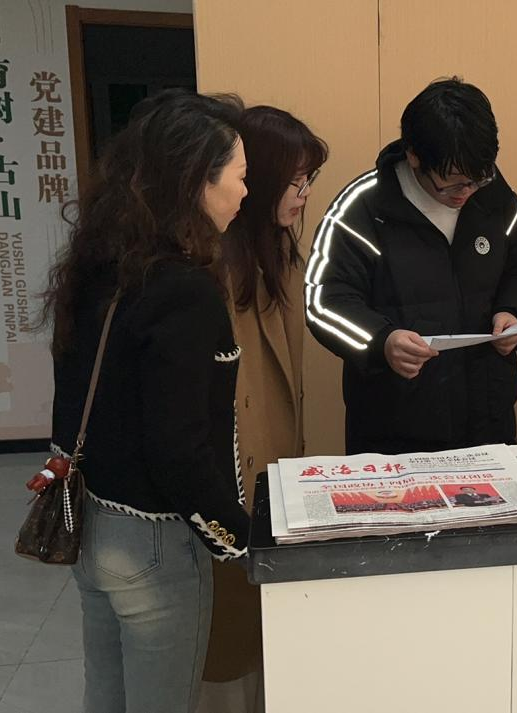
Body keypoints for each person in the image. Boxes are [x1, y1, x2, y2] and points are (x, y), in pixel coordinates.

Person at [42, 89, 250, 713]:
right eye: (239, 176)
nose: (245, 192)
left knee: (106, 696)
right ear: (196, 181)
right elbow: (178, 447)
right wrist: (236, 537)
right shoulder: (185, 290)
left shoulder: (98, 267)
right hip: (156, 543)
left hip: (92, 525)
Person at [305, 77, 517, 455]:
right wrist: (381, 342)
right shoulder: (364, 208)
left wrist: (515, 314)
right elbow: (324, 301)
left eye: (476, 180)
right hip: (392, 432)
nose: (465, 193)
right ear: (414, 156)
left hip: (488, 423)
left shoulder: (496, 199)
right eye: (452, 184)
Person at [199, 106, 328, 713]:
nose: (303, 195)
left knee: (265, 630)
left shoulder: (278, 251)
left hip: (275, 471)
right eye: (294, 181)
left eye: (308, 181)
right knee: (229, 640)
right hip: (231, 481)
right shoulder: (213, 264)